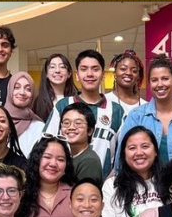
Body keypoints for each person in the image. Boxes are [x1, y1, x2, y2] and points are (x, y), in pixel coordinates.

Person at [44, 49, 125, 177]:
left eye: (95, 69)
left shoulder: (117, 111)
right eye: (84, 69)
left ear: (103, 75)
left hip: (102, 190)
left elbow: (123, 154)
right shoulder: (63, 106)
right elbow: (45, 146)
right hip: (64, 185)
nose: (89, 74)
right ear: (77, 75)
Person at [117, 54, 172, 166]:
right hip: (142, 182)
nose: (160, 84)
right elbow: (122, 157)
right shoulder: (136, 116)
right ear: (149, 84)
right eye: (154, 80)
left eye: (165, 79)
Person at [60, 102, 103, 184]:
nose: (71, 127)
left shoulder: (89, 161)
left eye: (78, 123)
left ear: (90, 130)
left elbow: (84, 194)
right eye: (66, 123)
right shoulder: (66, 155)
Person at [4, 71, 44, 158]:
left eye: (28, 89)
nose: (22, 92)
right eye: (17, 87)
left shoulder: (38, 127)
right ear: (10, 90)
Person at [33, 53, 78, 122]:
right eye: (52, 67)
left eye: (62, 67)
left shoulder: (78, 99)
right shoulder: (38, 102)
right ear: (46, 74)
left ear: (69, 73)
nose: (57, 71)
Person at [104, 49, 147, 116]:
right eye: (123, 69)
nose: (128, 73)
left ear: (138, 77)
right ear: (115, 73)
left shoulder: (146, 107)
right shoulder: (104, 101)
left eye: (134, 71)